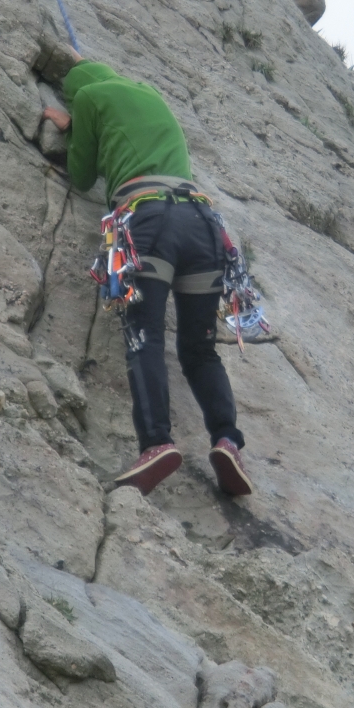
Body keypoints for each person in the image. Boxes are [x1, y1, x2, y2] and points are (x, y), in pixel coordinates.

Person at [42, 51, 253, 498]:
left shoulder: (89, 98)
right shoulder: (148, 92)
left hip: (148, 219)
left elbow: (81, 175)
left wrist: (74, 127)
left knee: (145, 338)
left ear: (75, 92)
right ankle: (227, 440)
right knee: (199, 349)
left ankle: (156, 443)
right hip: (203, 224)